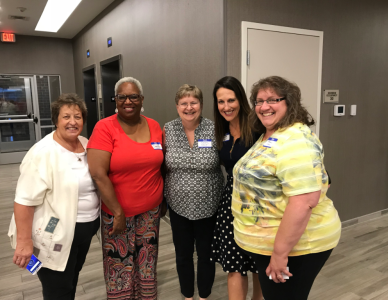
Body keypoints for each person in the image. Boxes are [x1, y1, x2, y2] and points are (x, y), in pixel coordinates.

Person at [232, 76, 341, 300]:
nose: (264, 107)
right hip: (271, 243)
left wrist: (280, 254)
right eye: (259, 101)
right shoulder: (272, 134)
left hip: (298, 247)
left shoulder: (295, 139)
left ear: (289, 102)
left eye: (272, 100)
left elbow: (303, 202)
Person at [8, 94, 100, 300]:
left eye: (77, 116)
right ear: (56, 120)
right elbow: (24, 201)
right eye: (66, 116)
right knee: (57, 290)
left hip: (83, 231)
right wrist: (24, 243)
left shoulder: (85, 143)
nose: (72, 122)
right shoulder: (42, 153)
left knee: (71, 280)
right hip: (53, 235)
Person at [87, 77, 165, 300]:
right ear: (115, 100)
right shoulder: (104, 127)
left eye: (133, 96)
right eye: (122, 97)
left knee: (147, 263)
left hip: (151, 212)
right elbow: (98, 174)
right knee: (120, 266)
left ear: (141, 99)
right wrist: (118, 212)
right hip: (117, 213)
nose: (127, 101)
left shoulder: (154, 125)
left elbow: (161, 165)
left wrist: (163, 202)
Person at [163, 84, 224, 300]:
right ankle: (187, 295)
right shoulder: (168, 129)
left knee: (206, 255)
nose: (189, 107)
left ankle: (204, 295)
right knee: (183, 255)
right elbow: (161, 164)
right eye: (184, 103)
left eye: (193, 102)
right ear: (177, 106)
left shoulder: (215, 128)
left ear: (201, 104)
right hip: (178, 206)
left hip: (210, 204)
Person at [210, 76, 263, 300]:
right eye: (221, 102)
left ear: (240, 99)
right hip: (231, 203)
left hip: (260, 202)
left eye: (230, 100)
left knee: (259, 262)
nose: (226, 107)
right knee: (234, 264)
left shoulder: (259, 126)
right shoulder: (221, 130)